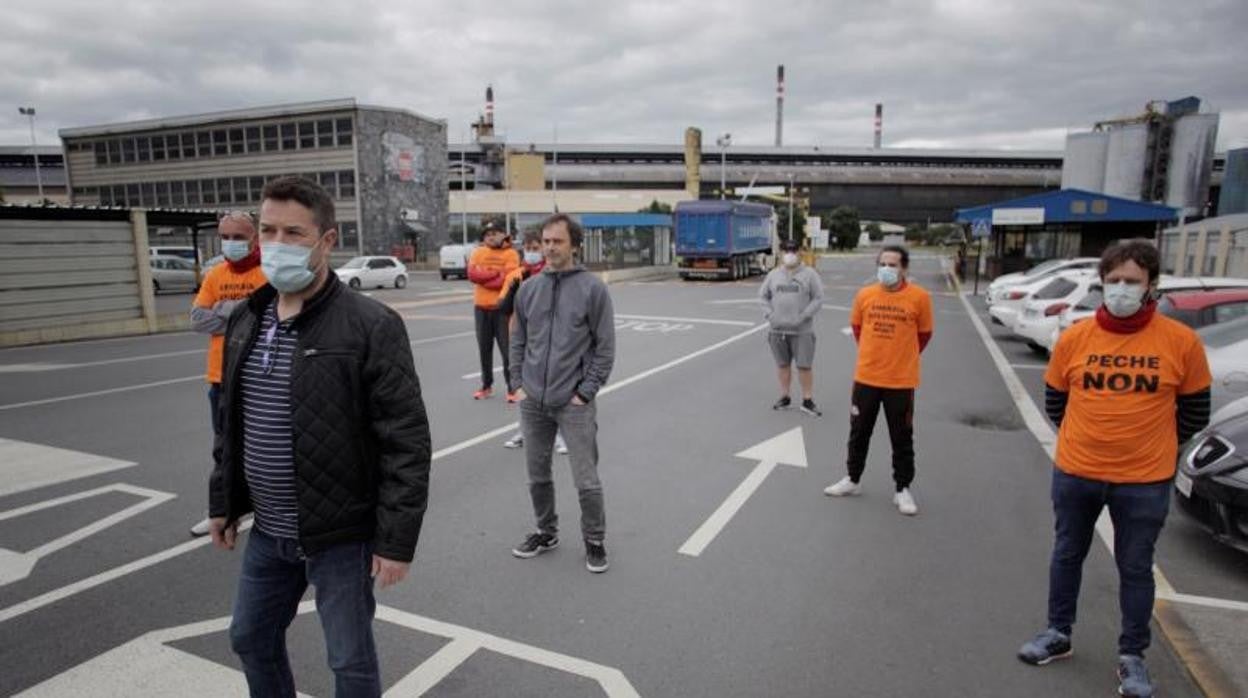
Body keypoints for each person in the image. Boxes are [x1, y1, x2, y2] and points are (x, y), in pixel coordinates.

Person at [208, 176, 431, 697]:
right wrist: (223, 500)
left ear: (327, 241)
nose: (276, 244)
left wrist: (395, 543)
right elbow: (230, 427)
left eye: (294, 232)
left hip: (340, 538)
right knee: (249, 637)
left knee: (348, 660)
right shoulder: (247, 317)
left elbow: (406, 442)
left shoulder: (371, 325)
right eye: (268, 231)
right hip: (269, 531)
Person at [1017, 241, 1210, 698]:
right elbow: (1056, 401)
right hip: (1077, 472)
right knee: (1067, 554)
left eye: (1132, 282)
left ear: (1151, 287)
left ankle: (1132, 656)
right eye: (1114, 281)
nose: (1121, 290)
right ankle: (1057, 633)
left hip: (1144, 481)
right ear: (1102, 284)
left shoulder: (1180, 342)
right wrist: (1090, 438)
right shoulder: (1078, 338)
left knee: (1136, 566)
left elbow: (1194, 412)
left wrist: (1148, 443)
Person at [508, 213, 616, 573]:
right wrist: (517, 383)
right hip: (534, 401)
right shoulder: (529, 289)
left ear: (575, 245)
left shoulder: (593, 289)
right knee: (537, 475)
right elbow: (518, 339)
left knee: (586, 479)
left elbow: (605, 348)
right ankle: (546, 531)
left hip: (574, 403)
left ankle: (595, 540)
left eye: (558, 241)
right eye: (546, 241)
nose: (549, 248)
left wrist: (585, 393)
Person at [824, 245, 933, 516]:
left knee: (902, 437)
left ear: (904, 268)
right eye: (883, 263)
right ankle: (852, 479)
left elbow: (924, 335)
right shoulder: (865, 295)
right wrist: (875, 355)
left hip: (900, 381)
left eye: (893, 265)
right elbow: (859, 329)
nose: (887, 269)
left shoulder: (919, 297)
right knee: (859, 432)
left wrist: (901, 355)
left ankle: (902, 489)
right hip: (866, 378)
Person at [188, 211, 268, 537]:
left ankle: (268, 507)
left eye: (238, 236)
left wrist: (221, 311)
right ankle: (221, 510)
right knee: (223, 447)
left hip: (257, 375)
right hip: (220, 379)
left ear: (255, 238)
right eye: (225, 237)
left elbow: (265, 315)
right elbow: (197, 319)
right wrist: (239, 311)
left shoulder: (268, 273)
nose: (230, 243)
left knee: (265, 445)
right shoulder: (215, 274)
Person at [499, 229, 567, 455]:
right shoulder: (519, 275)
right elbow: (504, 308)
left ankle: (559, 435)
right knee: (524, 390)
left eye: (535, 249)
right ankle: (524, 431)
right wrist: (514, 289)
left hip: (549, 342)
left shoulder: (553, 275)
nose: (531, 253)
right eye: (527, 249)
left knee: (552, 389)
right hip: (523, 341)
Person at [759, 238, 824, 417]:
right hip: (777, 330)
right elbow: (763, 296)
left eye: (793, 251)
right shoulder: (773, 274)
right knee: (782, 365)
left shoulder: (809, 274)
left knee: (804, 366)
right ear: (781, 253)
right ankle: (785, 396)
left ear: (799, 253)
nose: (790, 254)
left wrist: (804, 316)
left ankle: (807, 399)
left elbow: (818, 298)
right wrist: (770, 315)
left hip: (802, 330)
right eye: (787, 251)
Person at [467, 219, 521, 400]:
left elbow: (508, 279)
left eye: (494, 233)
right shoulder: (478, 252)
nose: (490, 237)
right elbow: (473, 274)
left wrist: (486, 274)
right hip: (481, 308)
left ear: (502, 235)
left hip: (502, 308)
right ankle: (486, 385)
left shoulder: (511, 254)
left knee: (507, 350)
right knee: (484, 349)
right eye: (487, 235)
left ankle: (512, 388)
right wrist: (496, 273)